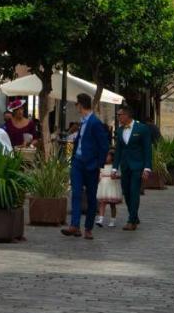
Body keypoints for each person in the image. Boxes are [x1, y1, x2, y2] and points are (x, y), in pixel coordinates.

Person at [61, 93, 109, 240]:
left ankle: (88, 228)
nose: (76, 107)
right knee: (75, 193)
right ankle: (75, 225)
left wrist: (99, 165)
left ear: (80, 105)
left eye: (76, 104)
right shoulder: (82, 121)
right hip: (77, 162)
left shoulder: (95, 122)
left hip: (91, 165)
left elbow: (104, 146)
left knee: (91, 197)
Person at [113, 103, 153, 231]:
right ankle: (134, 215)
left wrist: (147, 168)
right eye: (117, 115)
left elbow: (147, 149)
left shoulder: (142, 129)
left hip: (137, 166)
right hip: (125, 166)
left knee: (134, 191)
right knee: (126, 192)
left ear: (127, 115)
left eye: (120, 115)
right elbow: (118, 150)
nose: (118, 117)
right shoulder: (119, 130)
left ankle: (131, 220)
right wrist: (114, 168)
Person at [95, 147, 122, 228]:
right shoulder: (102, 166)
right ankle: (100, 219)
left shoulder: (115, 166)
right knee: (102, 203)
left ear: (112, 157)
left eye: (107, 156)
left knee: (112, 204)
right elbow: (100, 174)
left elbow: (119, 175)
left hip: (112, 187)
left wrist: (115, 176)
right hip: (103, 186)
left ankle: (112, 220)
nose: (105, 157)